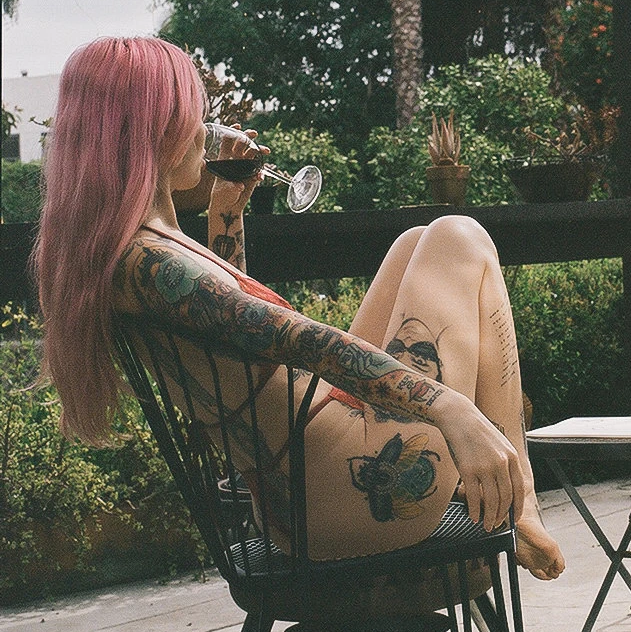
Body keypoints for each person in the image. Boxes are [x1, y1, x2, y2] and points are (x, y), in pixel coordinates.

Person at [34, 36, 565, 580]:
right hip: (357, 492)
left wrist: (226, 214)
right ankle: (520, 499)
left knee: (415, 242)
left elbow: (234, 343)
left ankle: (506, 490)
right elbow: (301, 341)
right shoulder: (151, 263)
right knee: (458, 235)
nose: (202, 129)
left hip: (303, 500)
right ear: (154, 128)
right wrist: (454, 411)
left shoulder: (140, 250)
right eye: (192, 112)